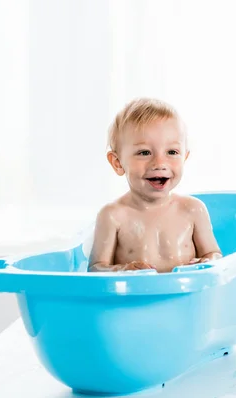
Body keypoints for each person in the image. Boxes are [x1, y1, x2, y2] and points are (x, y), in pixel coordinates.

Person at [88, 98, 222, 273]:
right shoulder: (113, 216)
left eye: (172, 152)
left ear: (184, 158)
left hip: (185, 296)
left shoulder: (193, 210)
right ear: (118, 163)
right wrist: (123, 270)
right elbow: (96, 269)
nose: (159, 163)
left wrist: (206, 262)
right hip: (136, 299)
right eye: (144, 152)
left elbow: (215, 255)